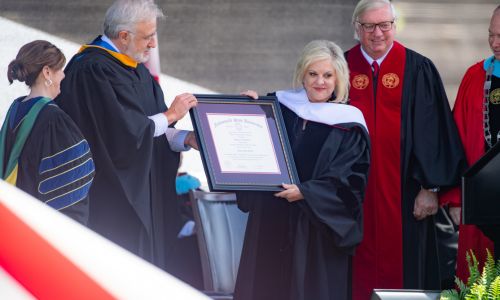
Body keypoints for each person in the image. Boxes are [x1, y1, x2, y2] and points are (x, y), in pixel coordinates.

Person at [55, 0, 198, 270]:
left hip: (144, 194)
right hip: (111, 198)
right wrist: (171, 115)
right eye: (149, 36)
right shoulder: (91, 70)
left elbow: (153, 129)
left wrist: (184, 138)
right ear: (123, 36)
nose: (153, 44)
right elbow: (121, 136)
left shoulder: (135, 70)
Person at [344, 0, 468, 298]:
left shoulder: (417, 68)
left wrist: (431, 187)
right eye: (369, 26)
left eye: (385, 25)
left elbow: (434, 132)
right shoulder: (339, 66)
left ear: (395, 26)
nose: (378, 33)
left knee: (404, 275)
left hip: (406, 197)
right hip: (351, 195)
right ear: (356, 28)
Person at [235, 40, 370, 300]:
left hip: (316, 231)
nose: (320, 82)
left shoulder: (348, 125)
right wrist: (247, 111)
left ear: (338, 78)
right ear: (302, 74)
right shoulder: (278, 106)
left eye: (328, 75)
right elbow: (252, 147)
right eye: (313, 74)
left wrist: (306, 192)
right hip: (271, 219)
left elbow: (350, 182)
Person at [0, 40, 94, 224]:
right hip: (37, 224)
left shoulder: (15, 109)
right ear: (47, 72)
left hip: (12, 215)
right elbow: (71, 185)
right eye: (60, 69)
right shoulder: (54, 120)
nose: (64, 75)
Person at [440, 5, 500, 282]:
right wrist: (456, 196)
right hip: (481, 198)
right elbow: (458, 138)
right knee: (479, 278)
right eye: (491, 35)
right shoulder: (476, 76)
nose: (495, 43)